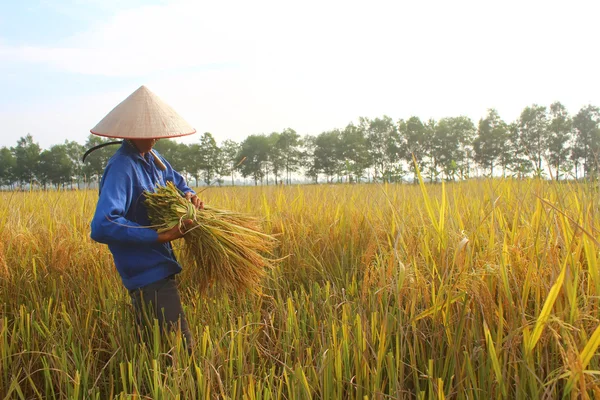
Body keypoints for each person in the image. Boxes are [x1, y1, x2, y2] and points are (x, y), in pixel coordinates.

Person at [88, 86, 201, 350]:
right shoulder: (122, 168)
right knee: (178, 351)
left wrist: (189, 196)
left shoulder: (152, 157)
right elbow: (104, 224)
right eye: (149, 133)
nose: (156, 138)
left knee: (157, 349)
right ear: (133, 133)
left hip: (161, 265)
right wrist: (159, 235)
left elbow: (178, 183)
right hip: (145, 273)